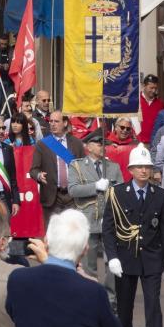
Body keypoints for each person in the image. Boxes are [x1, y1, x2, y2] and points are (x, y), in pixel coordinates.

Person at [101, 143, 164, 327]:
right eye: (139, 166)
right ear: (130, 169)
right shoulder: (117, 193)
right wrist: (112, 257)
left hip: (152, 258)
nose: (144, 170)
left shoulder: (160, 195)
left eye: (147, 167)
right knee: (125, 309)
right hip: (125, 258)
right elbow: (108, 229)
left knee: (154, 308)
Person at [67, 129, 123, 302]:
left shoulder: (112, 167)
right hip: (88, 220)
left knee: (112, 262)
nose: (102, 147)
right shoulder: (77, 166)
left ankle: (111, 298)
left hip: (109, 220)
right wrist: (95, 186)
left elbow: (120, 192)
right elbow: (73, 190)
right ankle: (90, 297)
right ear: (88, 146)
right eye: (99, 144)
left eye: (104, 144)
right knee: (88, 264)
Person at [30, 111, 85, 223]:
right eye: (51, 121)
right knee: (53, 232)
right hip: (52, 197)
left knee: (72, 231)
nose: (53, 124)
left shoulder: (77, 143)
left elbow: (84, 168)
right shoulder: (42, 144)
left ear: (65, 123)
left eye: (56, 121)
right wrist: (39, 175)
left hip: (72, 196)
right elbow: (33, 170)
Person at [138, 73, 162, 144]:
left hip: (155, 143)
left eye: (155, 88)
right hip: (138, 142)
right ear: (144, 86)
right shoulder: (136, 101)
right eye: (151, 88)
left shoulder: (160, 104)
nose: (154, 91)